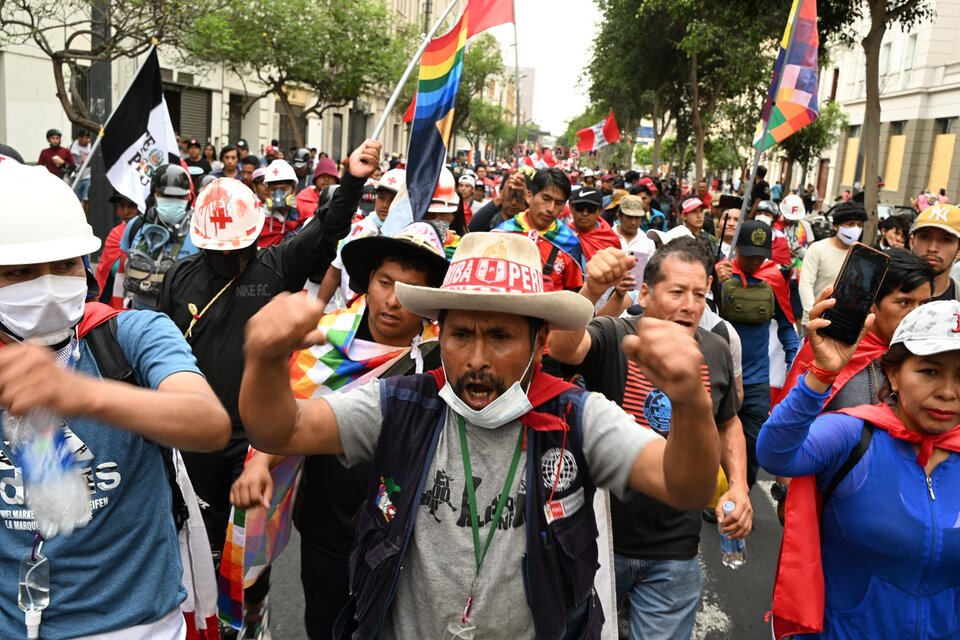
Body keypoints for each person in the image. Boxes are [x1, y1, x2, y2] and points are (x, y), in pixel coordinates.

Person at [238, 231, 721, 639]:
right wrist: (264, 359)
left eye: (500, 337)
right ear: (438, 333)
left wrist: (691, 404)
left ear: (540, 343)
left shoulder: (576, 417)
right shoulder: (400, 404)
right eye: (461, 335)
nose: (476, 360)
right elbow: (284, 428)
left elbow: (687, 487)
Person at [158, 141, 380, 638]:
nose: (231, 256)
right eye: (220, 249)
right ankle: (205, 618)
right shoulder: (180, 278)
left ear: (255, 235)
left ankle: (252, 617)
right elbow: (163, 346)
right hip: (194, 429)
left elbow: (326, 232)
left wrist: (352, 181)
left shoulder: (277, 265)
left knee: (249, 541)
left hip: (255, 436)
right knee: (198, 528)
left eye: (239, 246)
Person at [0, 161, 230, 640]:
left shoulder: (131, 334)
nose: (46, 286)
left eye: (63, 266)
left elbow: (208, 422)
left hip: (137, 626)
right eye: (20, 273)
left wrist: (82, 394)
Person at [235, 221, 449, 639]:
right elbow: (290, 413)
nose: (391, 301)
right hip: (327, 531)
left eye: (408, 291)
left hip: (404, 536)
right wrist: (259, 463)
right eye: (385, 282)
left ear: (428, 301)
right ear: (368, 281)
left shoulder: (443, 358)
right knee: (325, 625)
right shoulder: (322, 339)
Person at [548, 242, 751, 640]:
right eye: (676, 292)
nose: (690, 305)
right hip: (599, 543)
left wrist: (741, 486)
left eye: (699, 295)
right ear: (645, 294)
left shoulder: (715, 349)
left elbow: (728, 422)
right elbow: (562, 347)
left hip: (674, 549)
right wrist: (590, 291)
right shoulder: (613, 335)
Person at [759, 296, 960, 640]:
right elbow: (776, 453)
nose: (947, 392)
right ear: (893, 373)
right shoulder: (854, 434)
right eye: (929, 371)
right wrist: (821, 375)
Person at [769, 249, 934, 521]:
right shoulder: (830, 350)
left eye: (924, 304)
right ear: (872, 305)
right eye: (904, 303)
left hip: (906, 513)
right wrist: (786, 494)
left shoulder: (935, 360)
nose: (917, 314)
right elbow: (787, 429)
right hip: (831, 506)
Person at [716, 220, 799, 487]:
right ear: (736, 247)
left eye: (759, 256)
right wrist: (713, 283)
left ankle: (742, 490)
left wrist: (793, 360)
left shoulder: (772, 279)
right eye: (748, 254)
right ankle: (714, 492)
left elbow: (787, 327)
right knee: (716, 439)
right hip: (720, 377)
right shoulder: (719, 275)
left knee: (752, 444)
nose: (753, 261)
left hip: (757, 381)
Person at [314, 168, 406, 309]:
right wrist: (317, 309)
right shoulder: (357, 230)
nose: (385, 205)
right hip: (350, 314)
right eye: (381, 197)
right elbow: (334, 272)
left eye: (392, 199)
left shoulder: (408, 236)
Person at [120, 163, 200, 310]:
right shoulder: (136, 226)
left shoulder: (200, 229)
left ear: (188, 197)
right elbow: (123, 267)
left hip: (182, 316)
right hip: (141, 317)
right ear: (153, 194)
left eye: (178, 196)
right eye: (165, 195)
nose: (172, 200)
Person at [495, 168, 585, 292]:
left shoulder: (570, 243)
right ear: (529, 196)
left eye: (559, 203)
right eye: (546, 199)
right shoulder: (502, 234)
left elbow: (574, 293)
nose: (551, 208)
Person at [798, 201, 867, 323]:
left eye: (859, 225)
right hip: (816, 320)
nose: (856, 229)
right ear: (836, 226)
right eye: (850, 224)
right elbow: (806, 284)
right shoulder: (818, 249)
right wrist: (812, 313)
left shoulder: (861, 255)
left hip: (843, 322)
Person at [95, 191, 141, 309]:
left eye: (131, 205)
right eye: (122, 206)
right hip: (117, 300)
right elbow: (109, 270)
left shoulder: (150, 233)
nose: (126, 211)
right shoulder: (115, 234)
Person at [910, 202, 960, 301]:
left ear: (959, 250)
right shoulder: (882, 290)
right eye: (925, 237)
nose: (932, 248)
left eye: (946, 240)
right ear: (912, 242)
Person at [258, 159, 308, 248]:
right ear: (267, 190)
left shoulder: (305, 216)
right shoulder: (258, 218)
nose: (278, 195)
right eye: (273, 189)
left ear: (294, 189)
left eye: (283, 189)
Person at [569, 185, 621, 262]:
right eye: (580, 208)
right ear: (572, 208)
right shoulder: (562, 234)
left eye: (591, 209)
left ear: (600, 211)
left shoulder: (610, 240)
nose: (585, 213)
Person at [69, 130, 92, 215]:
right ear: (79, 137)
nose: (88, 140)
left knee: (86, 199)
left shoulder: (91, 146)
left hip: (88, 176)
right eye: (86, 138)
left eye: (88, 138)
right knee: (76, 199)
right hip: (76, 177)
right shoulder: (71, 147)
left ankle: (85, 218)